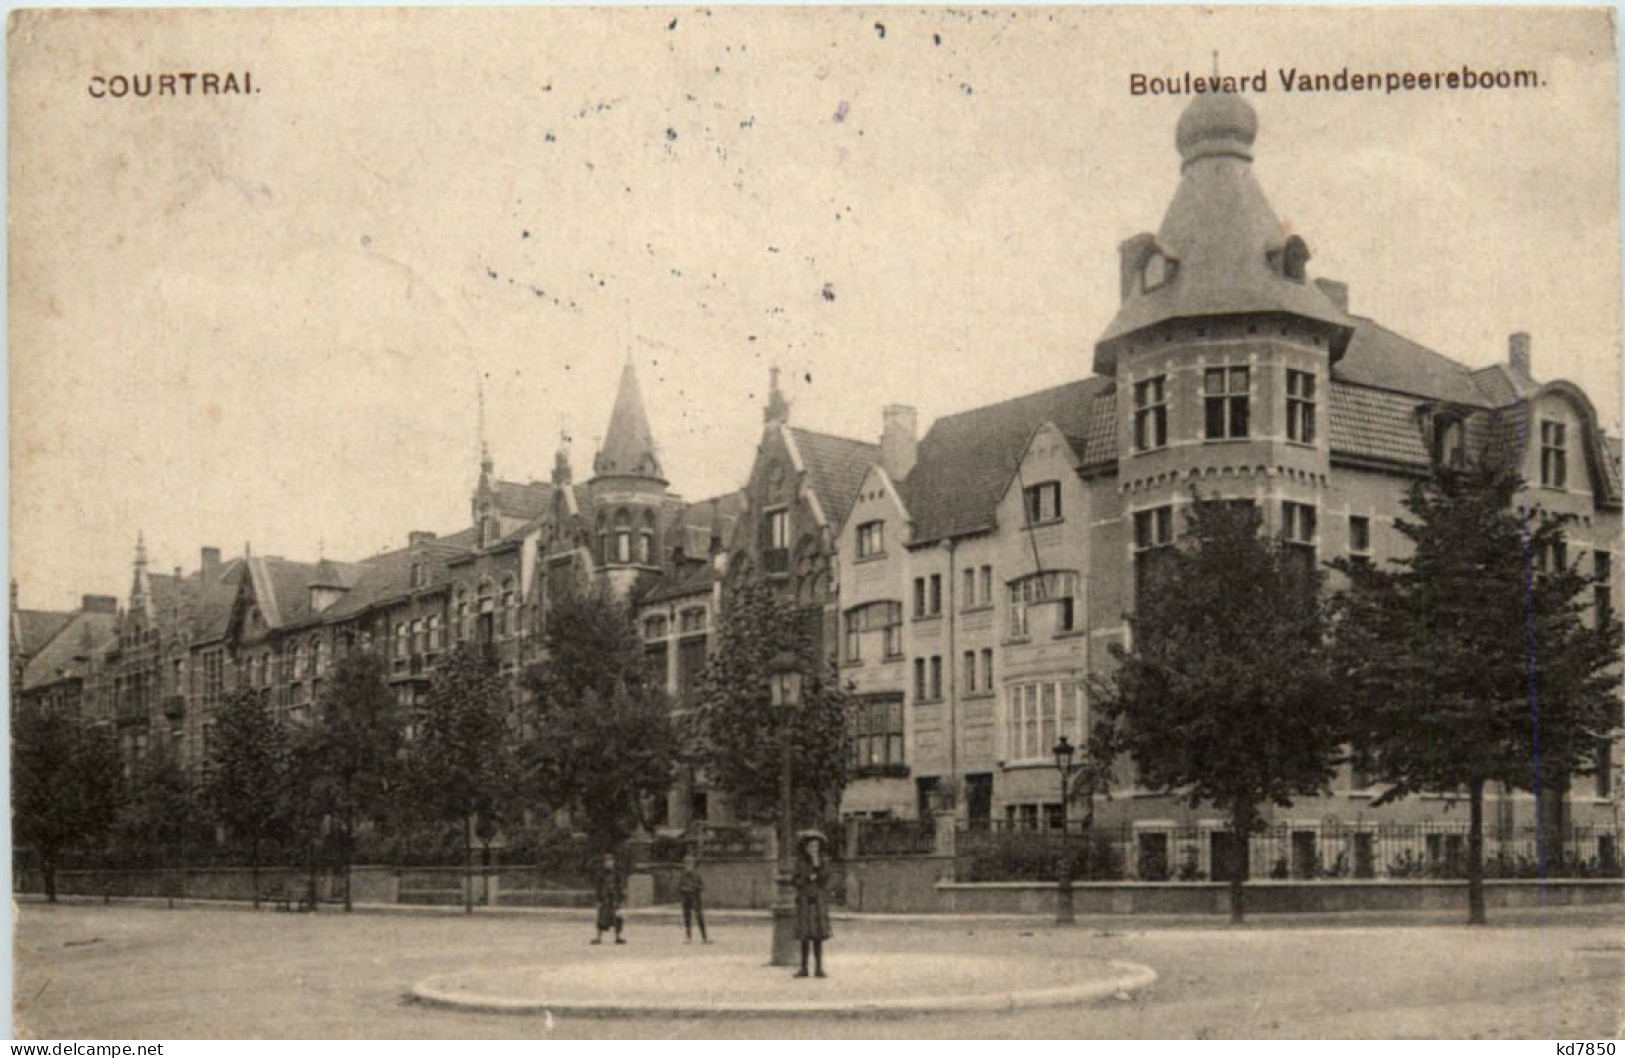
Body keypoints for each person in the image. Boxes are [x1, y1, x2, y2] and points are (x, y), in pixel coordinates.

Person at [792, 830, 832, 978]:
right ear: (806, 848)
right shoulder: (800, 862)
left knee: (818, 937)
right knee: (804, 937)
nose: (814, 849)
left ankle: (819, 968)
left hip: (818, 902)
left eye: (816, 846)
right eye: (811, 846)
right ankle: (803, 968)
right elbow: (795, 880)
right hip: (804, 902)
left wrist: (817, 868)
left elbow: (825, 879)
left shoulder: (824, 862)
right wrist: (806, 878)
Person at [591, 853, 625, 945]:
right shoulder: (601, 874)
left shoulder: (617, 874)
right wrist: (597, 900)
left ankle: (618, 937)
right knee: (601, 919)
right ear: (604, 863)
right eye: (607, 861)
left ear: (613, 862)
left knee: (618, 918)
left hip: (614, 899)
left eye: (610, 861)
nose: (609, 863)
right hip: (604, 899)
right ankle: (598, 937)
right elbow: (598, 888)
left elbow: (620, 887)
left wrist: (621, 899)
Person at [678, 852, 710, 944]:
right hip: (686, 900)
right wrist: (685, 889)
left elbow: (702, 886)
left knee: (699, 917)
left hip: (696, 899)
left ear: (693, 864)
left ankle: (704, 937)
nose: (688, 865)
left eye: (690, 863)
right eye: (686, 863)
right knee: (687, 918)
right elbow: (679, 887)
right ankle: (688, 937)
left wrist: (695, 888)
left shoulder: (697, 876)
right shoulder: (683, 876)